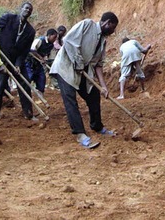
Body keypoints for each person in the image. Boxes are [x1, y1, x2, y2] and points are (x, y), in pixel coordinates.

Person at [50, 12, 119, 149]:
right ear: (107, 22)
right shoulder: (87, 25)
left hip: (82, 72)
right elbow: (69, 40)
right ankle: (80, 134)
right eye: (113, 27)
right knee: (70, 100)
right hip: (66, 68)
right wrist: (78, 61)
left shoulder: (103, 41)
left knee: (93, 95)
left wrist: (104, 86)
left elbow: (98, 64)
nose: (113, 30)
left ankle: (97, 126)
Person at [0, 1, 36, 119]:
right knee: (0, 86)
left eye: (30, 10)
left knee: (25, 83)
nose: (27, 11)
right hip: (2, 59)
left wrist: (18, 64)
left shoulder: (30, 31)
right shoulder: (8, 18)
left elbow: (24, 51)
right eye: (26, 8)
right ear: (20, 8)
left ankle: (28, 113)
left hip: (17, 60)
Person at [26, 28, 58, 101]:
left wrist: (44, 59)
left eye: (56, 38)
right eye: (54, 37)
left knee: (42, 78)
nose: (55, 39)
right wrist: (41, 58)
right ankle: (25, 95)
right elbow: (32, 50)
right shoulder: (39, 40)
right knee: (29, 77)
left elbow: (46, 54)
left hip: (38, 63)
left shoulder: (51, 45)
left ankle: (40, 96)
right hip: (29, 61)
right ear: (49, 35)